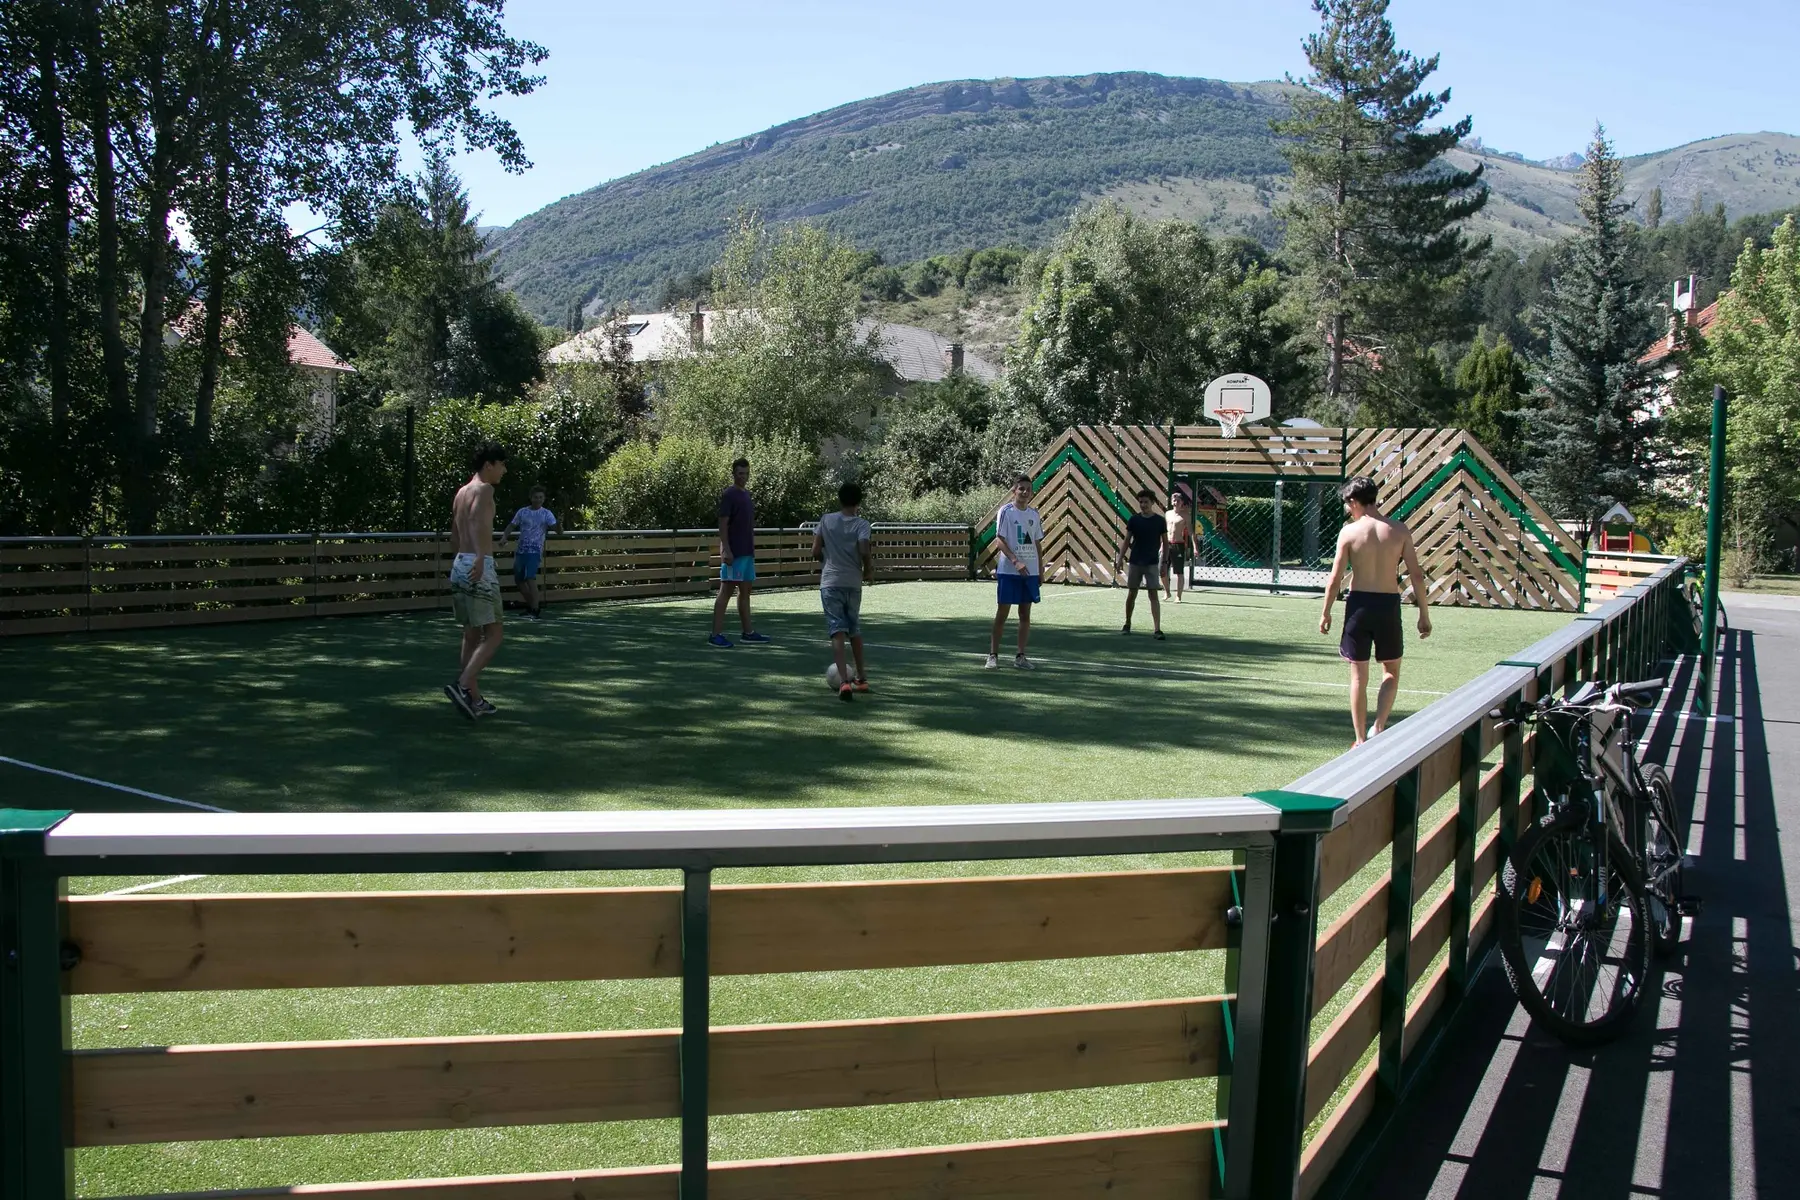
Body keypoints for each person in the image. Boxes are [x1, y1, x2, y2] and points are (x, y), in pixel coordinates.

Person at [1319, 474, 1432, 746]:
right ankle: (1378, 727)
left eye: (1347, 504)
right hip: (1387, 605)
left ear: (1354, 501)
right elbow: (1416, 576)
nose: (1347, 509)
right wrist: (1424, 615)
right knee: (1391, 672)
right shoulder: (1399, 530)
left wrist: (1325, 612)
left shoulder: (1349, 532)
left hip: (1359, 605)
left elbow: (1335, 578)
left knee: (1358, 677)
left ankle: (1359, 740)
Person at [445, 442, 508, 719]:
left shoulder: (461, 492)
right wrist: (482, 557)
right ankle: (462, 685)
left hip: (459, 563)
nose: (504, 470)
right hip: (478, 563)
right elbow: (480, 524)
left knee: (471, 632)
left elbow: (454, 535)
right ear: (488, 465)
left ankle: (474, 697)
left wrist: (466, 557)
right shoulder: (485, 489)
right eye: (502, 464)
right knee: (494, 634)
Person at [813, 481, 874, 701]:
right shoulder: (862, 524)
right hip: (853, 582)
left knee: (837, 631)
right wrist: (868, 570)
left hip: (830, 582)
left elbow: (815, 550)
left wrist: (827, 560)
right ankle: (862, 677)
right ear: (859, 502)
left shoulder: (826, 520)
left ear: (839, 499)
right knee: (854, 629)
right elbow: (864, 549)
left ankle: (844, 682)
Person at [710, 456, 769, 647]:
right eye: (740, 473)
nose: (743, 477)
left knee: (745, 592)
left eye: (746, 473)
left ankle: (748, 633)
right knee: (726, 591)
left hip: (746, 553)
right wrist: (726, 550)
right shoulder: (729, 495)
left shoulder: (746, 494)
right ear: (734, 473)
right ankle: (715, 635)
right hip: (733, 554)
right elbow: (722, 525)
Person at [987, 473, 1043, 670]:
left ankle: (1020, 656)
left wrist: (1040, 569)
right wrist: (1015, 561)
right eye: (1021, 488)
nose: (1025, 492)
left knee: (1025, 614)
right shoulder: (1006, 511)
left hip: (1030, 573)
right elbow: (999, 540)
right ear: (1014, 491)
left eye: (1028, 489)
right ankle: (993, 655)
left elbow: (1037, 543)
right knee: (1002, 613)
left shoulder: (1034, 514)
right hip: (1009, 571)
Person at [1114, 487, 1166, 638]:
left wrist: (1164, 563)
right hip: (1136, 561)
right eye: (1141, 502)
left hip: (1151, 563)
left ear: (1152, 503)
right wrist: (1120, 559)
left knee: (1153, 595)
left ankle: (1157, 629)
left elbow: (1165, 543)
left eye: (1146, 502)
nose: (1143, 505)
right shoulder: (1134, 520)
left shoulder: (1159, 521)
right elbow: (1126, 541)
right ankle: (1127, 623)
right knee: (1132, 593)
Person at [502, 486, 558, 619]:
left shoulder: (547, 513)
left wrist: (559, 525)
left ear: (544, 499)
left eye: (541, 497)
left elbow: (556, 528)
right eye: (535, 497)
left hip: (535, 549)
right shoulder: (523, 512)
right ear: (531, 497)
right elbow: (511, 525)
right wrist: (504, 537)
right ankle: (530, 605)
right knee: (519, 579)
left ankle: (535, 609)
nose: (538, 500)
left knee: (530, 578)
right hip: (521, 549)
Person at [1163, 487, 1198, 602]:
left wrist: (1195, 548)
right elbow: (1163, 531)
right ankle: (1167, 592)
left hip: (1178, 544)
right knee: (1162, 570)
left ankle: (1178, 596)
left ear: (1182, 502)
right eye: (1174, 500)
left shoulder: (1185, 515)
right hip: (1166, 544)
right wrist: (1160, 545)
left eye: (1178, 500)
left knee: (1179, 572)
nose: (1175, 502)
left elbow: (1191, 532)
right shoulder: (1167, 514)